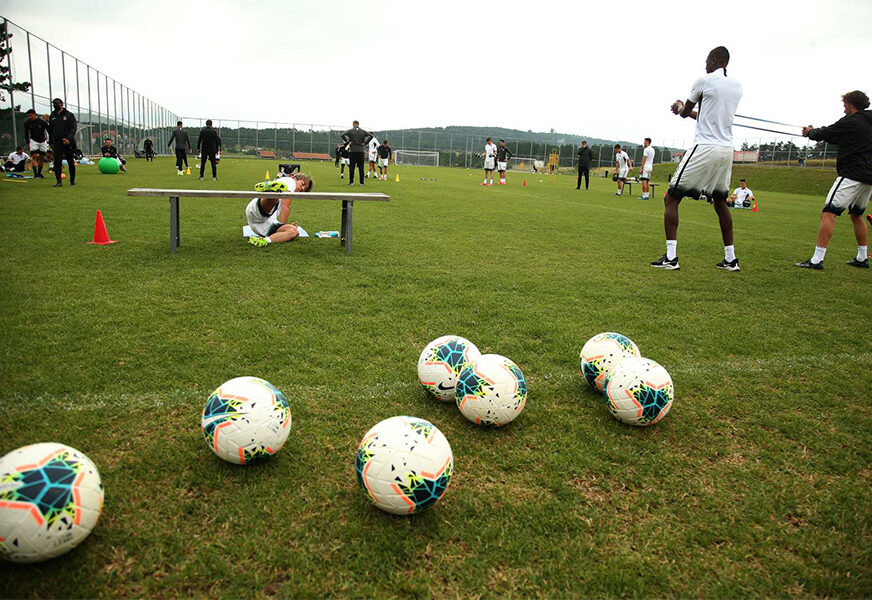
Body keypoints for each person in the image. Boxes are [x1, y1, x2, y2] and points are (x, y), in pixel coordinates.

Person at [651, 46, 743, 272]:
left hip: (704, 147)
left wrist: (680, 107)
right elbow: (705, 116)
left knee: (671, 197)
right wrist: (689, 111)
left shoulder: (703, 81)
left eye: (707, 61)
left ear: (714, 60)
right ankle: (730, 259)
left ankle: (671, 258)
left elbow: (685, 112)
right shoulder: (736, 86)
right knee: (721, 202)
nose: (705, 66)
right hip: (726, 150)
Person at [796, 90, 872, 269]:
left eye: (845, 104)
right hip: (869, 177)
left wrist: (811, 133)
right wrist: (815, 133)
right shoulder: (867, 123)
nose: (844, 108)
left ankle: (817, 259)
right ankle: (862, 258)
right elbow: (835, 135)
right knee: (856, 214)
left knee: (828, 212)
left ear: (852, 105)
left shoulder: (852, 121)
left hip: (851, 174)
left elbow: (829, 131)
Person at [247, 173, 314, 247]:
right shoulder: (290, 181)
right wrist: (283, 224)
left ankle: (264, 241)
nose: (302, 188)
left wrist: (284, 226)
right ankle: (270, 192)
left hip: (262, 224)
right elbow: (285, 207)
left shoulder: (284, 183)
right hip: (257, 210)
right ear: (295, 178)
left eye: (304, 189)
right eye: (302, 184)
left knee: (294, 231)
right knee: (275, 198)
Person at [49, 98, 77, 187]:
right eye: (54, 104)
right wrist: (51, 142)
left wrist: (69, 139)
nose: (55, 105)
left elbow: (73, 128)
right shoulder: (52, 115)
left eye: (57, 104)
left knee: (70, 162)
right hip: (57, 142)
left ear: (61, 104)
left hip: (68, 143)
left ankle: (72, 180)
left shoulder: (69, 115)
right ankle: (58, 181)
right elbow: (51, 130)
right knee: (57, 162)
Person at [341, 120, 372, 186]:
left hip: (352, 151)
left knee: (352, 167)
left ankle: (351, 182)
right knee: (361, 167)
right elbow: (371, 136)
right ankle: (361, 182)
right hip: (361, 151)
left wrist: (347, 141)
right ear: (358, 124)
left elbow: (342, 135)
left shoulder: (350, 131)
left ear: (353, 124)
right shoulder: (363, 131)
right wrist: (365, 143)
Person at [23, 109, 50, 178]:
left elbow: (49, 130)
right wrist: (28, 143)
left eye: (31, 115)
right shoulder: (27, 123)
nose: (30, 117)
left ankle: (39, 173)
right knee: (34, 156)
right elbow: (26, 133)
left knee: (41, 157)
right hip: (33, 140)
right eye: (29, 115)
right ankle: (35, 174)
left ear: (35, 114)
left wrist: (51, 140)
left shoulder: (42, 122)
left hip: (43, 141)